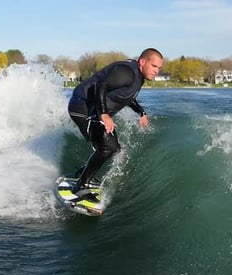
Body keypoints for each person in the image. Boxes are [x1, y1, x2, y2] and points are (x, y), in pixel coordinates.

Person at [67, 48, 164, 198]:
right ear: (143, 62)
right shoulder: (127, 73)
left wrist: (141, 112)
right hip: (82, 108)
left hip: (93, 111)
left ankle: (82, 174)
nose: (156, 71)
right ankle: (80, 187)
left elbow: (126, 95)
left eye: (159, 68)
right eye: (154, 66)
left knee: (113, 148)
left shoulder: (137, 76)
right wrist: (104, 114)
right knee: (108, 147)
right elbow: (101, 85)